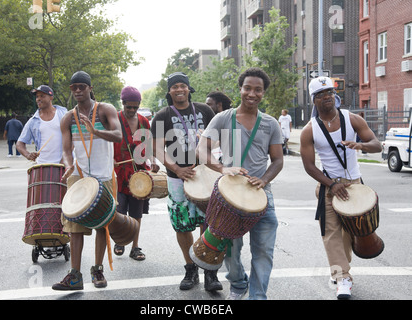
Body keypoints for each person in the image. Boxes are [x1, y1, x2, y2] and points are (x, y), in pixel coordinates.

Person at [197, 67, 284, 300]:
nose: (252, 94)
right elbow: (201, 150)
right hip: (229, 198)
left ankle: (258, 296)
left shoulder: (270, 123)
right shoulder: (223, 118)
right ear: (240, 89)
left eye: (258, 89)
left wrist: (264, 179)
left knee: (263, 251)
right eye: (248, 88)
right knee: (230, 253)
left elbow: (277, 160)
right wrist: (222, 168)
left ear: (263, 93)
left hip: (261, 196)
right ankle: (237, 282)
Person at [300, 76, 382, 300]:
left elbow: (377, 145)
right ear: (313, 100)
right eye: (321, 95)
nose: (327, 97)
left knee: (349, 235)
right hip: (329, 187)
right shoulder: (310, 130)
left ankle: (340, 270)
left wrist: (361, 145)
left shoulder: (351, 118)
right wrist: (331, 185)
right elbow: (308, 166)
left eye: (329, 93)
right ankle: (342, 277)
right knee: (332, 234)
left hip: (354, 185)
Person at [52, 71, 122, 291]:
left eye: (82, 86)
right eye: (74, 88)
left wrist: (95, 131)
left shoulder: (105, 110)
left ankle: (97, 269)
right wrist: (68, 165)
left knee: (102, 226)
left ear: (90, 88)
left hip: (103, 176)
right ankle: (75, 275)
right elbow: (66, 150)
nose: (78, 90)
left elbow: (118, 135)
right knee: (75, 228)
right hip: (78, 177)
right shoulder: (68, 118)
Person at [150, 72, 218, 291]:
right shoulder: (162, 115)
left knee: (208, 222)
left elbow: (220, 140)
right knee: (182, 223)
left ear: (189, 89)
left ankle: (209, 270)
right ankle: (190, 268)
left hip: (205, 174)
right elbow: (157, 148)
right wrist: (177, 169)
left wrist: (207, 142)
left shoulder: (205, 111)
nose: (179, 89)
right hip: (176, 177)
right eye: (174, 87)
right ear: (169, 91)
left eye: (183, 86)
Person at [113, 86, 159, 260]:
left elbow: (149, 147)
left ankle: (135, 246)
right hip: (119, 173)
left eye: (135, 107)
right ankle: (120, 240)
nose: (131, 110)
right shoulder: (114, 120)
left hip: (139, 173)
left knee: (136, 213)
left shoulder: (144, 122)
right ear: (122, 103)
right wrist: (110, 159)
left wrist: (153, 161)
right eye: (128, 107)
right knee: (119, 212)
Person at [17, 85, 67, 163]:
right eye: (37, 97)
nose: (38, 99)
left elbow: (74, 137)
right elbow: (19, 144)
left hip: (64, 164)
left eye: (42, 96)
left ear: (51, 97)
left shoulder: (64, 114)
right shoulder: (33, 121)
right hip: (42, 165)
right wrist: (28, 155)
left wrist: (66, 158)